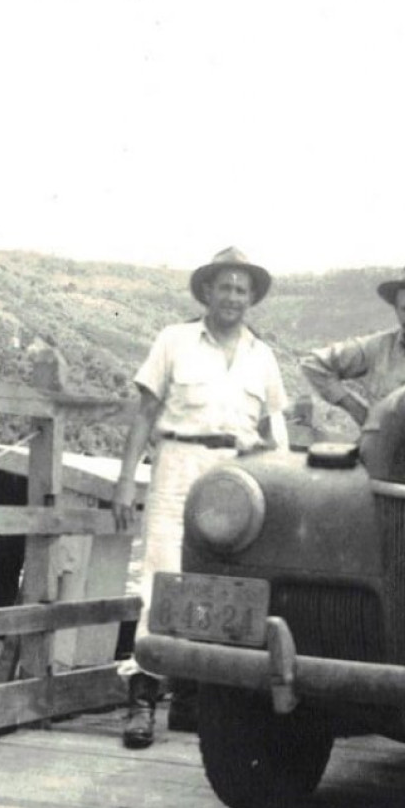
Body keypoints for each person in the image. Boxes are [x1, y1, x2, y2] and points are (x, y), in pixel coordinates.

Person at [111, 246, 288, 749]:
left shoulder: (263, 355)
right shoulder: (175, 341)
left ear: (252, 298)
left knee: (227, 585)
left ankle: (197, 700)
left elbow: (276, 433)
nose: (233, 297)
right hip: (178, 465)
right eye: (225, 287)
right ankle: (142, 699)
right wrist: (127, 480)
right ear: (207, 291)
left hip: (236, 476)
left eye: (242, 289)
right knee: (163, 578)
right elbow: (144, 412)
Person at [300, 259, 405, 427]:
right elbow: (313, 363)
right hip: (389, 448)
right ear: (396, 311)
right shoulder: (379, 347)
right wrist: (357, 409)